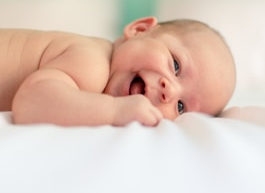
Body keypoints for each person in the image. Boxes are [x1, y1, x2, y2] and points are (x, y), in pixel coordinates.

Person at [0, 16, 236, 126]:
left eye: (180, 107)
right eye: (175, 65)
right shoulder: (93, 63)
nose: (169, 92)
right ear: (139, 29)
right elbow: (31, 103)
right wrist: (114, 111)